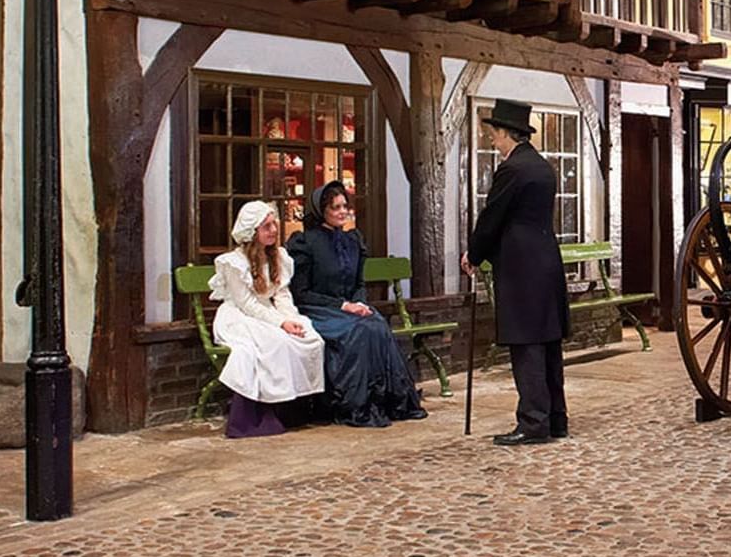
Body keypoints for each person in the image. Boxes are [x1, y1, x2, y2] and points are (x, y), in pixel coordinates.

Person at [461, 100, 569, 446]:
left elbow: (493, 216)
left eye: (494, 135)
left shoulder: (512, 169)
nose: (493, 141)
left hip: (522, 265)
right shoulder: (541, 166)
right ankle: (555, 419)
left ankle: (533, 422)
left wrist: (475, 254)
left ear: (508, 133)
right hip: (546, 259)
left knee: (527, 344)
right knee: (548, 342)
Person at [288, 181, 427, 428]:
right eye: (336, 208)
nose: (343, 212)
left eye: (345, 206)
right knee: (358, 330)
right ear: (322, 211)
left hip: (349, 308)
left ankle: (386, 400)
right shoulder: (305, 243)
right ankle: (354, 404)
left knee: (376, 324)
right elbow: (301, 293)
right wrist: (343, 306)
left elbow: (358, 283)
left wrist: (359, 303)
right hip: (317, 309)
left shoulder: (353, 240)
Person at [211, 200, 325, 438]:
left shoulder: (278, 257)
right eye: (266, 226)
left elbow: (282, 294)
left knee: (310, 337)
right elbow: (247, 304)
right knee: (276, 343)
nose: (273, 230)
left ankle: (295, 408)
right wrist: (280, 323)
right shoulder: (234, 263)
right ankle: (261, 415)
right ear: (252, 231)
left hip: (268, 313)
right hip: (239, 316)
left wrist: (291, 319)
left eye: (274, 224)